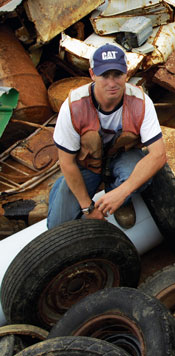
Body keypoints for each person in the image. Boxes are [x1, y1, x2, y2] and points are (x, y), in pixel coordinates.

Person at [47, 43, 167, 230]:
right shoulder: (74, 105)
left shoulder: (141, 102)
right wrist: (88, 208)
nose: (112, 83)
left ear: (126, 73)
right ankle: (67, 189)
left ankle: (117, 195)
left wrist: (121, 193)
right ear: (92, 74)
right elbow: (66, 162)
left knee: (137, 175)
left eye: (117, 75)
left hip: (122, 157)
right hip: (88, 164)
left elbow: (158, 155)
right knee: (57, 225)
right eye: (104, 75)